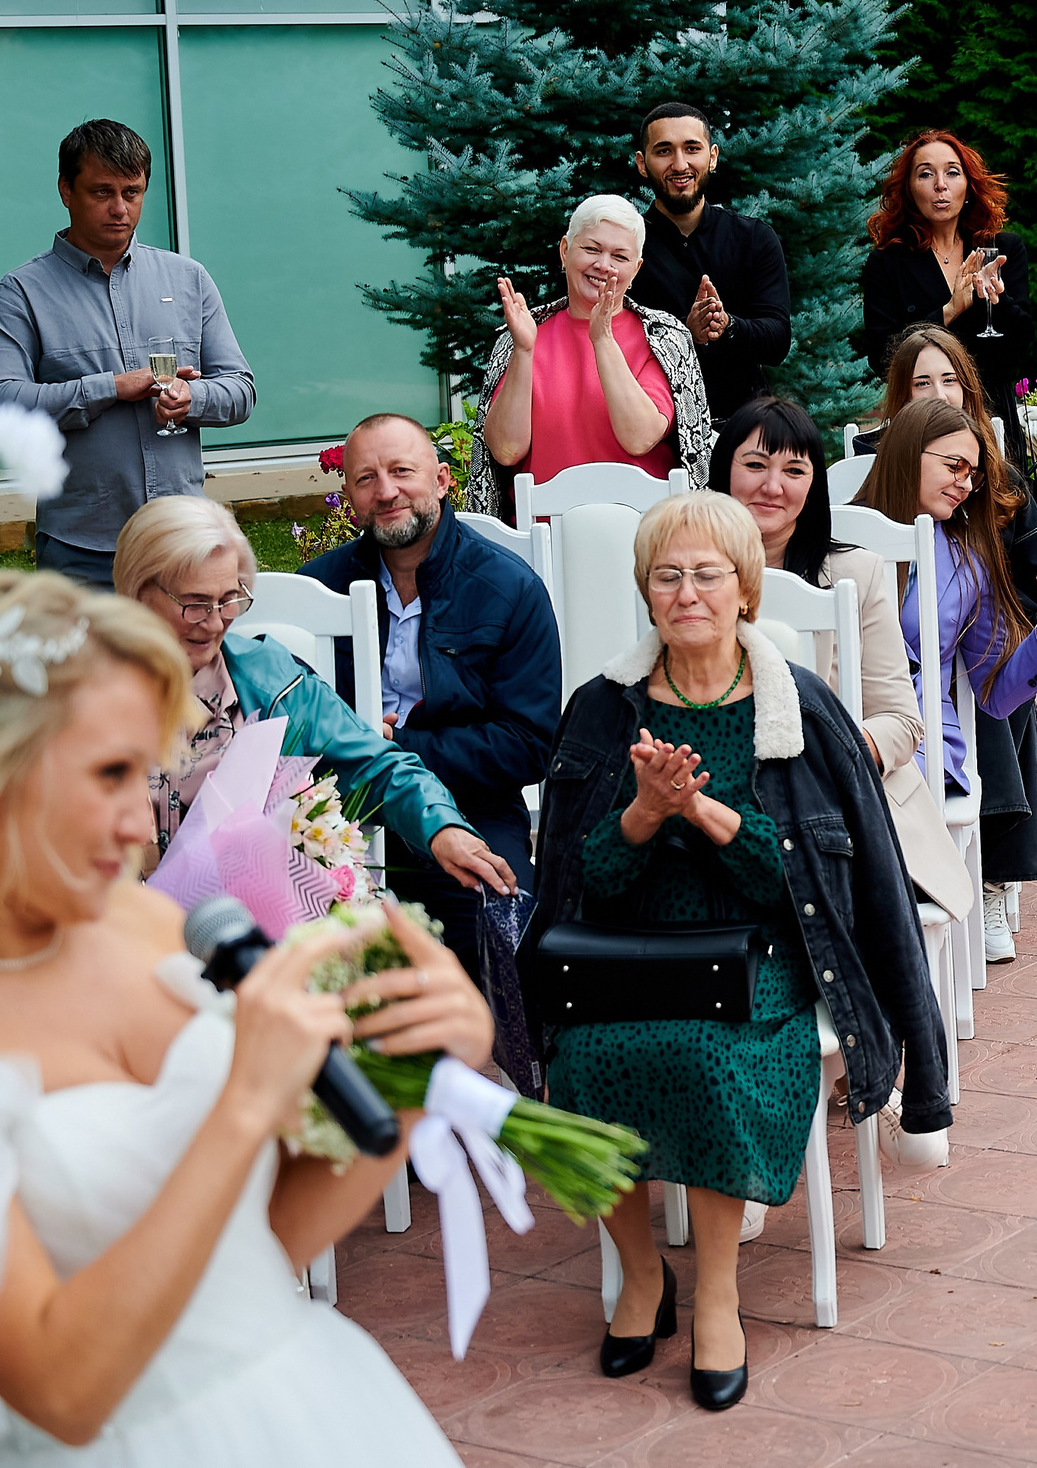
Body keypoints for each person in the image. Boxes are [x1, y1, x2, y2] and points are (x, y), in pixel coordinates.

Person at [0, 570, 492, 1465]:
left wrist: (419, 1074)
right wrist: (242, 1106)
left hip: (307, 1408)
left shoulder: (146, 922)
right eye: (114, 773)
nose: (140, 825)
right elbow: (62, 1390)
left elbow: (262, 1247)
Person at [523, 492, 953, 1412]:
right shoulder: (603, 710)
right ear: (646, 593)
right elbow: (579, 876)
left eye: (707, 574)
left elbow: (811, 885)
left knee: (715, 1060)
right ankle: (643, 1275)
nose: (687, 593)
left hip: (761, 960)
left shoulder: (799, 704)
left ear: (745, 588)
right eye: (667, 576)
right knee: (589, 1059)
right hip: (626, 954)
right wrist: (641, 814)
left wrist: (702, 811)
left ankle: (718, 1296)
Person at [711, 394, 970, 1066]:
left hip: (849, 810)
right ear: (722, 471)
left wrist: (830, 762)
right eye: (755, 464)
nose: (773, 485)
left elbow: (903, 720)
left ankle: (872, 1062)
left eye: (794, 470)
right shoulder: (688, 576)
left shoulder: (854, 572)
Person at [301, 414, 559, 1083]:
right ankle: (376, 1102)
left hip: (474, 807)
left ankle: (492, 1085)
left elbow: (530, 744)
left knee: (500, 921)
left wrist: (404, 746)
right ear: (350, 496)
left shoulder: (508, 587)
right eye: (366, 479)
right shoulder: (318, 589)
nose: (386, 492)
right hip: (345, 815)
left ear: (442, 482)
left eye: (402, 472)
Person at [114, 495, 518, 904]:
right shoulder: (81, 695)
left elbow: (377, 765)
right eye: (196, 604)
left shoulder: (269, 679)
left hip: (254, 926)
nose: (217, 622)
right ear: (138, 591)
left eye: (229, 599)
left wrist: (442, 828)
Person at [0, 119, 255, 591]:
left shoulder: (188, 280)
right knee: (87, 669)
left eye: (132, 191)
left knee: (185, 667)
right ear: (66, 190)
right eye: (102, 192)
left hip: (181, 538)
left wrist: (192, 398)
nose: (120, 208)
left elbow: (241, 390)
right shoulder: (19, 293)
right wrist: (110, 388)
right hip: (82, 547)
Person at [856, 332, 1037, 963]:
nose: (968, 485)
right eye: (954, 467)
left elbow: (996, 691)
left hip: (921, 754)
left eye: (973, 471)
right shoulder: (839, 539)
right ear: (907, 453)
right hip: (839, 745)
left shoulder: (968, 557)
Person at [467, 192, 714, 518]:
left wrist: (603, 339)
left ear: (636, 268)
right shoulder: (523, 335)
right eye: (591, 249)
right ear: (565, 251)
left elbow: (639, 438)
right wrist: (525, 351)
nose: (603, 265)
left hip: (643, 544)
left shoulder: (663, 338)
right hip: (542, 541)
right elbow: (506, 450)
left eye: (619, 256)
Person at [858, 130, 1035, 453]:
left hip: (993, 421)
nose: (941, 185)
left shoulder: (1002, 249)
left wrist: (999, 301)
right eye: (926, 174)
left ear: (968, 185)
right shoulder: (887, 263)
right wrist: (948, 311)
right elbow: (883, 359)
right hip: (922, 424)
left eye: (952, 172)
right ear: (910, 190)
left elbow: (1021, 347)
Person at [626, 102, 793, 418]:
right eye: (664, 151)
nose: (680, 164)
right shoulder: (625, 249)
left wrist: (727, 325)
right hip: (655, 427)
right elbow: (612, 347)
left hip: (742, 426)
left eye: (692, 148)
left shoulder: (754, 238)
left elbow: (777, 340)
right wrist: (683, 337)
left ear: (712, 156)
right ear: (642, 163)